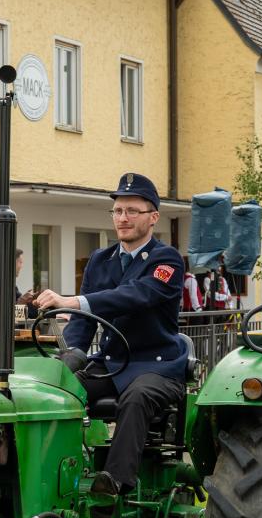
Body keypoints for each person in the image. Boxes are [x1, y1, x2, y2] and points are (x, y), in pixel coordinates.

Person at [34, 173, 187, 497]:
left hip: (157, 366)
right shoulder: (100, 260)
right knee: (59, 390)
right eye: (118, 211)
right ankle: (48, 475)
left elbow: (136, 295)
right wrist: (71, 355)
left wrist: (72, 301)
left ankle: (113, 485)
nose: (123, 218)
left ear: (153, 217)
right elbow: (84, 322)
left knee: (137, 397)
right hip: (112, 363)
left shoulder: (167, 260)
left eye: (132, 210)